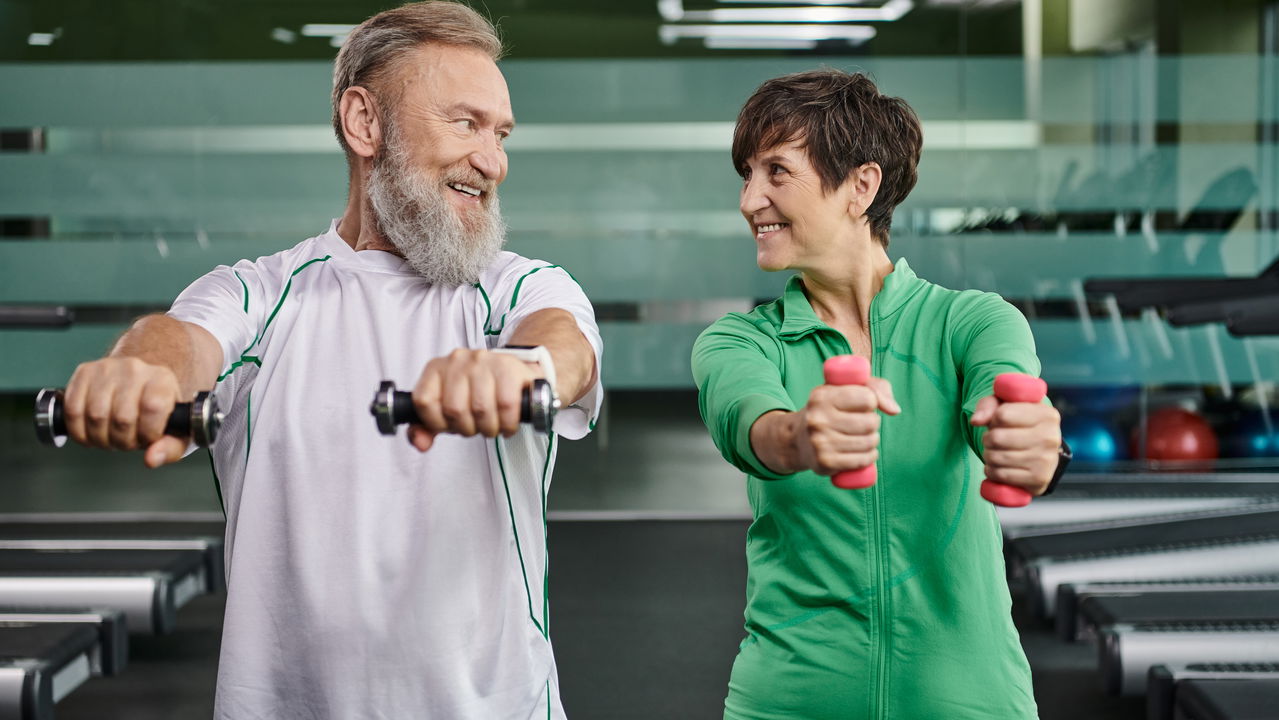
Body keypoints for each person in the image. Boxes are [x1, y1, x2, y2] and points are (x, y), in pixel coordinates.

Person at [57, 3, 602, 718]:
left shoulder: (516, 288)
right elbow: (181, 340)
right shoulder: (259, 294)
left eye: (499, 134)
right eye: (464, 123)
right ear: (364, 123)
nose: (492, 160)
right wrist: (139, 371)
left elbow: (563, 346)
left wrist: (519, 371)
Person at [691, 69, 1066, 719]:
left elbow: (1007, 408)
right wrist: (802, 435)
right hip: (791, 698)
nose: (750, 200)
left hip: (967, 696)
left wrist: (1029, 447)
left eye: (776, 173)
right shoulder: (740, 342)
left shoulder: (972, 321)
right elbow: (752, 422)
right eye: (746, 175)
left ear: (860, 186)